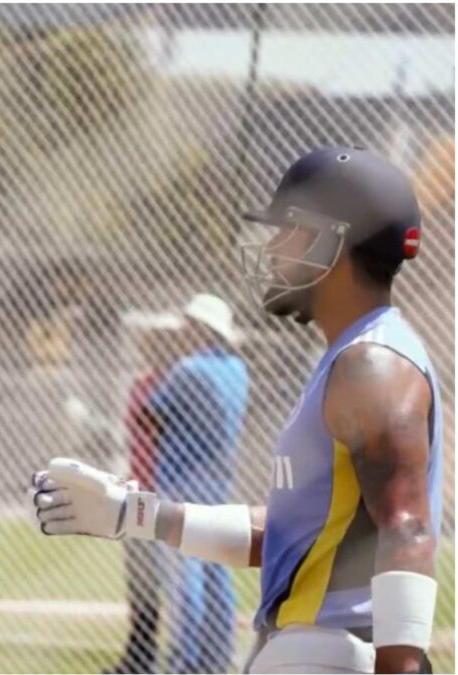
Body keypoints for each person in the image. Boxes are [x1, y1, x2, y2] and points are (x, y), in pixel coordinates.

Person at [31, 147, 441, 674]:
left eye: (285, 230)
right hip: (310, 648)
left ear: (334, 241)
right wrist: (134, 515)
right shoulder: (351, 356)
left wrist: (402, 666)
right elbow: (292, 535)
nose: (269, 248)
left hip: (331, 652)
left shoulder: (373, 363)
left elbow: (406, 530)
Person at [150, 294, 249, 673]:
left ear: (203, 329)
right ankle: (220, 660)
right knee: (215, 570)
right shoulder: (238, 369)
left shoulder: (187, 369)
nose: (184, 332)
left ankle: (185, 662)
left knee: (183, 574)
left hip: (180, 481)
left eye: (190, 325)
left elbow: (154, 415)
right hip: (217, 482)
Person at [104, 313, 184, 674]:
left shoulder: (184, 385)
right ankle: (139, 656)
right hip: (139, 494)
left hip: (170, 496)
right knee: (140, 583)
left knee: (179, 583)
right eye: (150, 339)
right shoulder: (140, 383)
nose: (151, 345)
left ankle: (185, 657)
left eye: (160, 339)